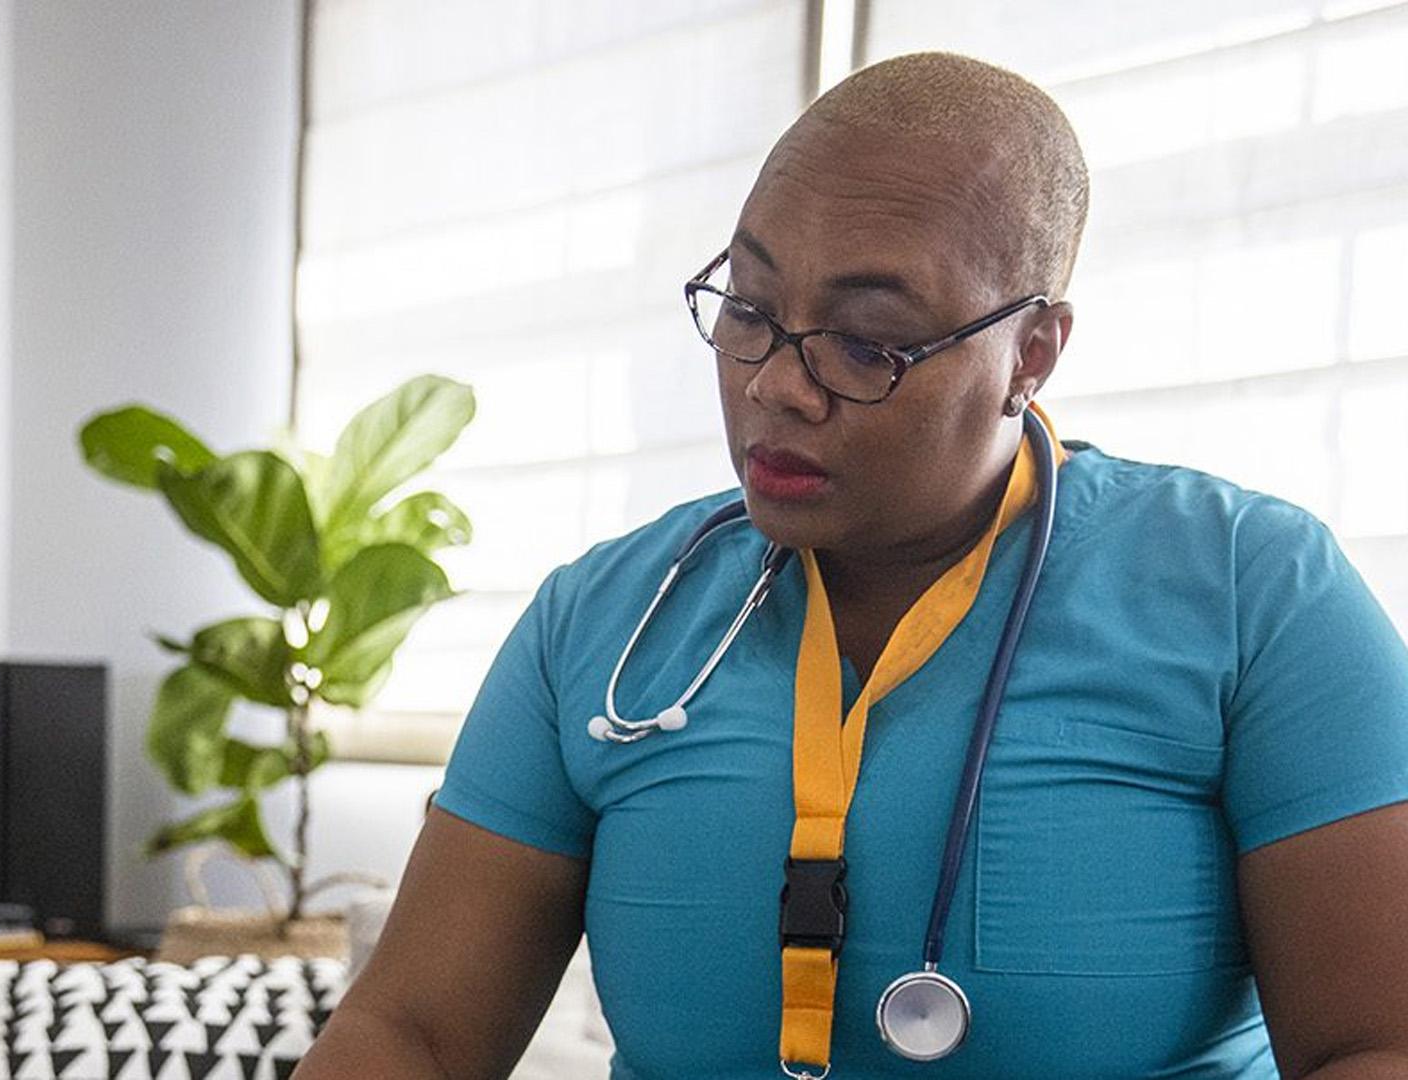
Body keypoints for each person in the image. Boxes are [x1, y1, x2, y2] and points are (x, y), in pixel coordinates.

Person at [298, 51, 1408, 1079]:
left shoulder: (1253, 593)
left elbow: (1376, 1044)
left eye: (868, 341)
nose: (776, 384)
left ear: (1030, 353)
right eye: (746, 308)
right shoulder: (599, 619)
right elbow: (415, 1032)